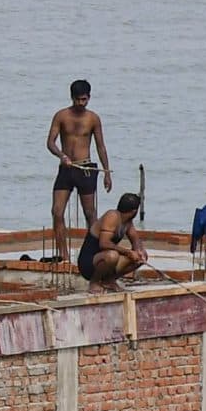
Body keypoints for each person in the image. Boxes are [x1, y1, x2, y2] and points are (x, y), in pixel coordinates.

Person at [45, 79, 111, 263]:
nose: (81, 103)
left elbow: (101, 147)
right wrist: (61, 155)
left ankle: (93, 255)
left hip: (86, 169)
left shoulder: (93, 118)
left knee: (90, 214)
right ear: (72, 98)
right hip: (66, 169)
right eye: (78, 100)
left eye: (84, 99)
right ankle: (64, 256)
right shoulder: (61, 116)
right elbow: (50, 142)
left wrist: (106, 173)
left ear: (89, 98)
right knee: (57, 212)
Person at [78, 192, 148, 291]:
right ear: (134, 211)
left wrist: (138, 251)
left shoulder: (127, 222)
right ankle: (94, 282)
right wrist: (128, 252)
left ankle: (109, 280)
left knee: (142, 256)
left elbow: (135, 239)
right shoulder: (112, 216)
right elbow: (104, 243)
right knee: (112, 256)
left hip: (107, 263)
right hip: (89, 263)